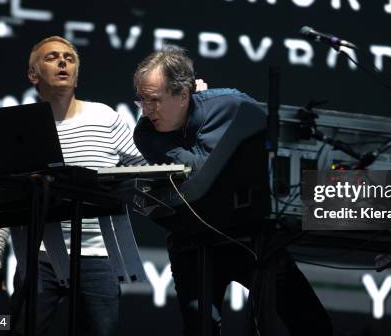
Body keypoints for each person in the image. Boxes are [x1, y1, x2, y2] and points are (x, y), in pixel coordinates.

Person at [132, 46, 333, 336]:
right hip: (193, 245)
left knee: (311, 322)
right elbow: (200, 174)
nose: (147, 110)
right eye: (141, 100)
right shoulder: (147, 132)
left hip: (249, 240)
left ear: (184, 93)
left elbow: (278, 152)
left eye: (154, 100)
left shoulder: (234, 105)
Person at [0, 36, 147, 336]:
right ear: (34, 74)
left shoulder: (105, 117)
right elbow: (4, 198)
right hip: (40, 256)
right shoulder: (17, 126)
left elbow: (143, 170)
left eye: (69, 58)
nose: (62, 62)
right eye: (52, 57)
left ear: (77, 74)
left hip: (98, 256)